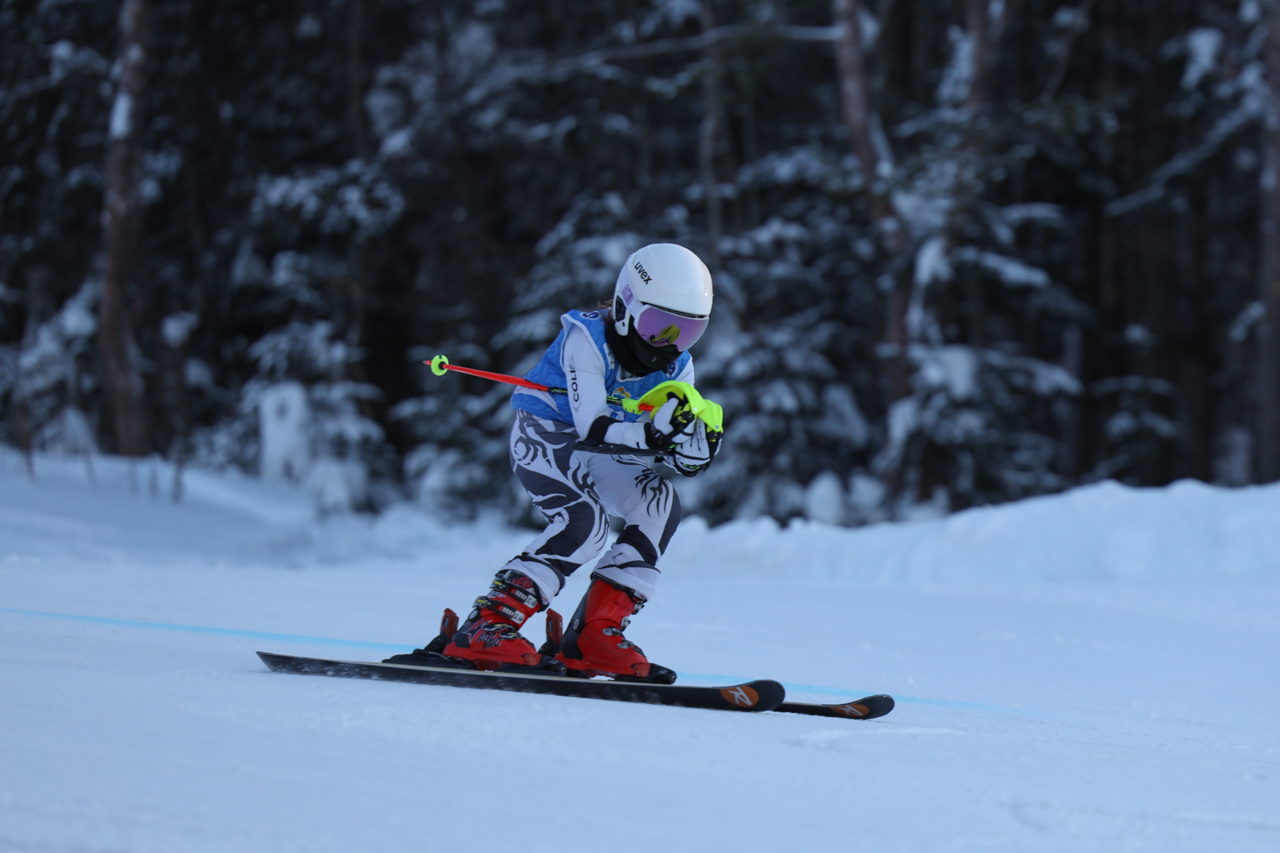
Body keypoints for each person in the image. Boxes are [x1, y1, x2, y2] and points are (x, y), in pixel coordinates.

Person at [432, 243, 721, 682]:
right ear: (626, 306)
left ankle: (594, 633)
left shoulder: (679, 364)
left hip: (608, 450)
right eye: (659, 326)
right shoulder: (586, 339)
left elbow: (667, 443)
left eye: (687, 332)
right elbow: (592, 426)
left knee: (660, 505)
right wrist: (655, 436)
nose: (670, 345)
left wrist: (691, 452)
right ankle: (488, 624)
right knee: (584, 524)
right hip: (547, 435)